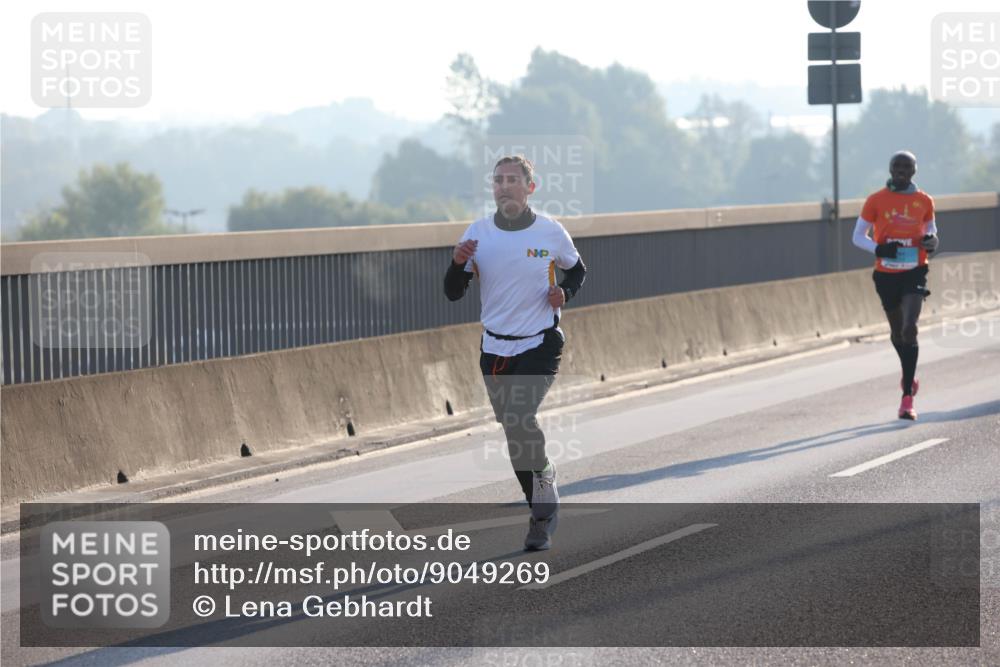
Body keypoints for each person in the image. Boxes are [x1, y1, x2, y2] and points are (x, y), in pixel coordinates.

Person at [444, 155, 587, 550]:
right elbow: (453, 292)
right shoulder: (478, 234)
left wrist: (566, 292)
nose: (504, 186)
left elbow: (577, 270)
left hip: (540, 342)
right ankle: (541, 481)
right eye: (498, 181)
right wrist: (456, 265)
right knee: (513, 431)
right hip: (494, 348)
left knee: (521, 418)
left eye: (512, 180)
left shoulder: (550, 232)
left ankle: (541, 518)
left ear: (529, 188)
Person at [852, 150, 939, 420]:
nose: (900, 170)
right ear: (890, 169)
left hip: (914, 270)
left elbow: (932, 232)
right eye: (896, 166)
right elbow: (858, 236)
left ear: (914, 171)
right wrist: (880, 249)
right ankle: (908, 374)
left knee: (909, 327)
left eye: (906, 166)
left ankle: (907, 399)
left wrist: (932, 243)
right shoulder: (876, 200)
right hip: (886, 273)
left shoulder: (924, 200)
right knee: (897, 334)